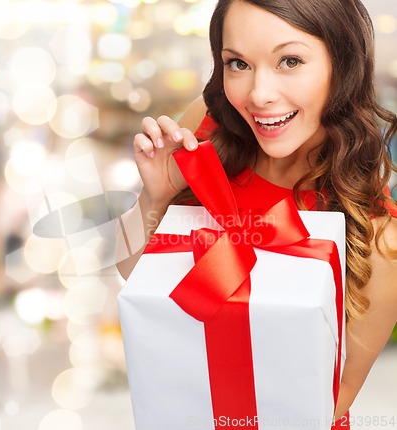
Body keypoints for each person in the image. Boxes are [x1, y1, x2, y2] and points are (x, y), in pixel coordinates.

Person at [116, 0, 397, 425]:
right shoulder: (206, 129)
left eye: (290, 60)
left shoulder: (378, 239)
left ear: (343, 65)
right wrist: (155, 195)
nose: (259, 95)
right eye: (238, 64)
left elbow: (324, 405)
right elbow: (130, 269)